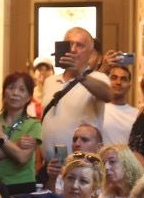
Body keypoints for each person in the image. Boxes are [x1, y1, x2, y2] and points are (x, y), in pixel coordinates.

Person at [38, 28, 119, 163]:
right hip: (51, 167)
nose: (73, 49)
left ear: (90, 53)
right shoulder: (49, 81)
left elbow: (108, 95)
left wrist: (80, 74)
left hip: (82, 165)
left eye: (80, 45)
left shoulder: (98, 78)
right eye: (69, 44)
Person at [0, 72, 42, 197]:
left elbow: (22, 158)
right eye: (11, 88)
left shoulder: (34, 124)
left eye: (22, 89)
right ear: (4, 93)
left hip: (22, 184)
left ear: (29, 97)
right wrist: (16, 146)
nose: (15, 93)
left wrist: (1, 136)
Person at [101, 62, 138, 147]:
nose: (118, 82)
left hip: (128, 160)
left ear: (129, 86)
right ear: (107, 81)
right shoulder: (98, 109)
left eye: (123, 79)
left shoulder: (136, 114)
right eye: (114, 78)